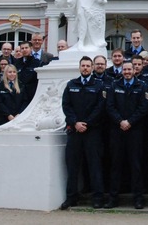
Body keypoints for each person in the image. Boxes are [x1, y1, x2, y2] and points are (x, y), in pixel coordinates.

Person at [61, 57, 106, 210]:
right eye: (83, 66)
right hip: (75, 131)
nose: (85, 68)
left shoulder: (99, 85)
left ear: (92, 67)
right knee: (72, 166)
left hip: (92, 131)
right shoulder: (71, 84)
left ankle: (97, 197)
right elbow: (66, 106)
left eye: (88, 66)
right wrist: (75, 123)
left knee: (95, 166)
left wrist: (87, 123)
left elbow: (100, 107)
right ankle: (71, 197)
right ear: (79, 67)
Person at [105, 60, 148, 208]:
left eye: (130, 69)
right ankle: (113, 198)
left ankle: (138, 198)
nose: (128, 72)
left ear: (135, 70)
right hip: (117, 131)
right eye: (125, 70)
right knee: (115, 165)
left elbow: (143, 108)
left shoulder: (142, 86)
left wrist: (130, 121)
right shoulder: (113, 85)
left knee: (136, 165)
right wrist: (120, 121)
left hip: (135, 131)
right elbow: (109, 107)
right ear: (121, 71)